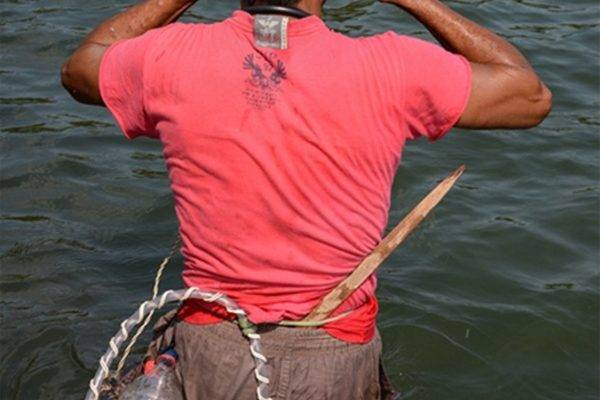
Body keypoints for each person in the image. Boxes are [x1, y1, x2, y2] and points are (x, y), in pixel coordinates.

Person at [61, 0, 552, 399]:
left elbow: (80, 69)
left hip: (211, 350)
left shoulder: (169, 57)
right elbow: (530, 97)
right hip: (333, 360)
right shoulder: (394, 66)